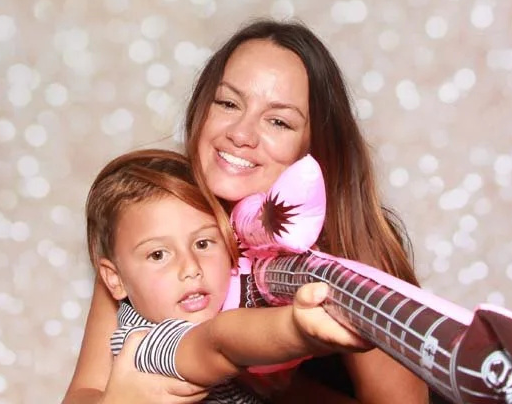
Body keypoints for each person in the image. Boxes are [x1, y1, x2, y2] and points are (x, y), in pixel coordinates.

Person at [63, 19, 430, 404]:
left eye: (278, 121)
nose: (241, 133)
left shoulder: (352, 249)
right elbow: (85, 391)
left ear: (313, 149)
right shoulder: (155, 219)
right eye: (227, 103)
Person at [85, 149, 369, 403]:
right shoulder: (141, 346)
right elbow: (218, 342)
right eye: (158, 255)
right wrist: (298, 330)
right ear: (115, 279)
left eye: (203, 244)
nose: (191, 267)